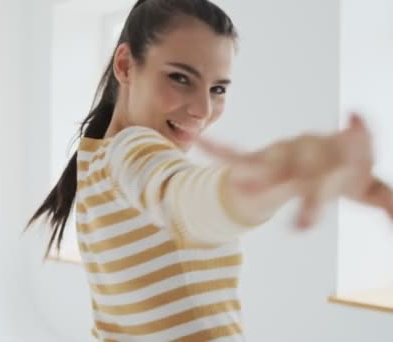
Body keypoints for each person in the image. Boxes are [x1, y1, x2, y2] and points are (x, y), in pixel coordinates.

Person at [27, 0, 393, 340]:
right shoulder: (130, 150)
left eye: (218, 88)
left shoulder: (96, 159)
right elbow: (189, 200)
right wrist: (275, 174)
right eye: (180, 78)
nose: (202, 109)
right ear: (125, 66)